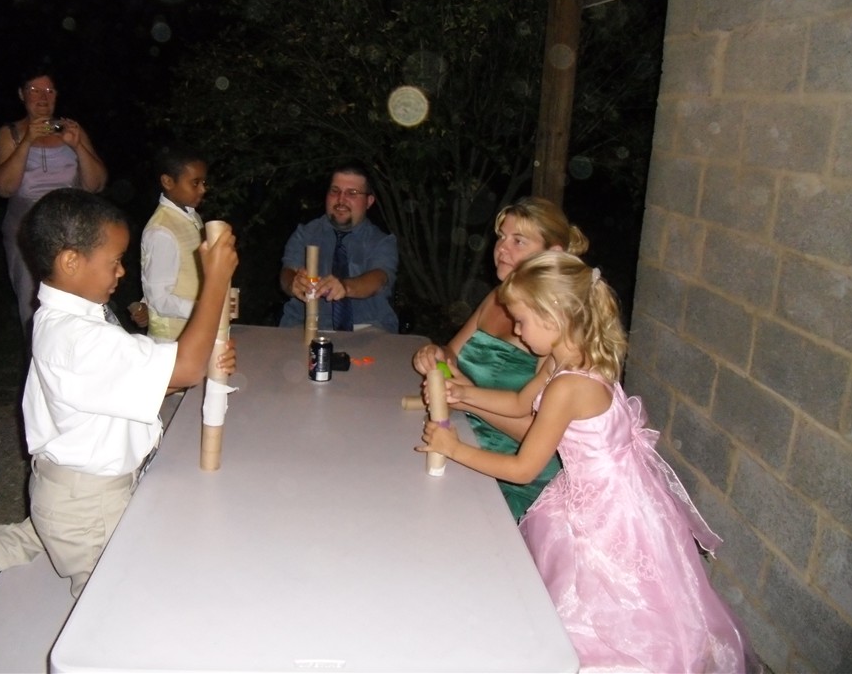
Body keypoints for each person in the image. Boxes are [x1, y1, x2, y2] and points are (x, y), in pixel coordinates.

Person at [417, 252, 760, 673]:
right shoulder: (565, 358)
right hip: (603, 489)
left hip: (605, 510)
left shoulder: (569, 386)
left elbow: (524, 468)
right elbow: (521, 402)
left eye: (522, 321)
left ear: (554, 315)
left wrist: (455, 449)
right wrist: (464, 394)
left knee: (609, 605)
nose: (518, 332)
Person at [0, 188, 237, 638]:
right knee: (116, 614)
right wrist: (216, 282)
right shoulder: (76, 339)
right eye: (115, 261)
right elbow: (182, 368)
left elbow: (140, 376)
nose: (122, 271)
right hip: (88, 502)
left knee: (65, 523)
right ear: (71, 261)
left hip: (74, 492)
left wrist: (189, 363)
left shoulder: (79, 319)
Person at [412, 197, 588, 520]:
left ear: (553, 254)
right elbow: (451, 356)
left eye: (518, 241)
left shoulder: (554, 332)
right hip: (465, 438)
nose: (501, 248)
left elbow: (538, 436)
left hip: (520, 481)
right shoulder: (495, 297)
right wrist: (436, 356)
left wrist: (463, 398)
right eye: (501, 237)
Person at [0, 66, 108, 333]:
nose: (43, 97)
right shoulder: (10, 134)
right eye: (34, 90)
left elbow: (96, 184)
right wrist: (27, 141)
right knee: (35, 307)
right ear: (21, 95)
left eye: (49, 90)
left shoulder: (71, 130)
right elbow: (4, 188)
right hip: (27, 235)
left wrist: (77, 145)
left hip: (72, 233)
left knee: (81, 303)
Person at [279, 163, 398, 332]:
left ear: (369, 201)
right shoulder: (305, 234)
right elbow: (287, 273)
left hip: (366, 327)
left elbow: (378, 279)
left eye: (352, 193)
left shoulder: (381, 241)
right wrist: (294, 282)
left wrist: (345, 287)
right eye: (335, 191)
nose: (341, 200)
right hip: (304, 325)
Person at [140, 148, 209, 342]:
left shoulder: (192, 216)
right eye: (195, 183)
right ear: (168, 182)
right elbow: (159, 299)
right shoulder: (161, 231)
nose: (203, 189)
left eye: (204, 182)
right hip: (172, 340)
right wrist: (205, 308)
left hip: (194, 332)